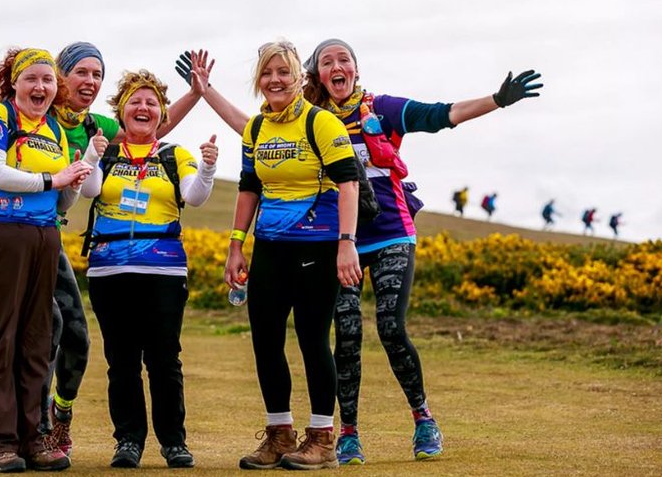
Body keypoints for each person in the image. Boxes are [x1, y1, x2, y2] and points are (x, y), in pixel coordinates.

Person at [184, 38, 542, 465]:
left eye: (345, 60)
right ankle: (346, 434)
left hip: (383, 234)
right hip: (331, 240)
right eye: (327, 61)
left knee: (390, 327)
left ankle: (421, 418)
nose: (337, 67)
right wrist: (205, 91)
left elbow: (441, 115)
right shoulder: (298, 117)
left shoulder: (378, 110)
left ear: (354, 69)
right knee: (347, 335)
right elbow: (252, 130)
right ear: (315, 74)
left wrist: (497, 100)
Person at [0, 0, 204, 457]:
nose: (90, 81)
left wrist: (195, 93)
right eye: (81, 72)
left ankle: (58, 416)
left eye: (97, 74)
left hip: (46, 234)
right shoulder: (24, 108)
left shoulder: (95, 125)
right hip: (4, 229)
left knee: (72, 334)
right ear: (60, 76)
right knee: (39, 329)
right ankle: (29, 431)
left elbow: (149, 128)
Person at [186, 41, 362, 470]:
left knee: (312, 339)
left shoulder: (321, 122)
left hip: (319, 246)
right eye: (267, 73)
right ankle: (280, 435)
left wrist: (347, 242)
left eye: (283, 72)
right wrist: (236, 245)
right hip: (269, 247)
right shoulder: (257, 129)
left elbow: (349, 184)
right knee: (265, 340)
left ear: (299, 77)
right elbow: (249, 187)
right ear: (258, 80)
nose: (275, 80)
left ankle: (322, 438)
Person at [0, 47, 92, 472]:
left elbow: (62, 199)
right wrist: (55, 177)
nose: (40, 86)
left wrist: (76, 176)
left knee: (37, 338)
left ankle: (33, 439)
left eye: (48, 80)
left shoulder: (53, 128)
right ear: (14, 82)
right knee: (2, 337)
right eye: (31, 78)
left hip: (43, 234)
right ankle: (0, 444)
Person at [79, 70, 217, 469]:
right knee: (121, 361)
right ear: (121, 111)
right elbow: (88, 190)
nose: (143, 108)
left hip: (164, 271)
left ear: (162, 113)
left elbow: (195, 196)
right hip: (109, 271)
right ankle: (128, 441)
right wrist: (91, 155)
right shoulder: (106, 152)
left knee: (164, 359)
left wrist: (207, 168)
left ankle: (174, 442)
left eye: (151, 102)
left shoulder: (175, 155)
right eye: (135, 102)